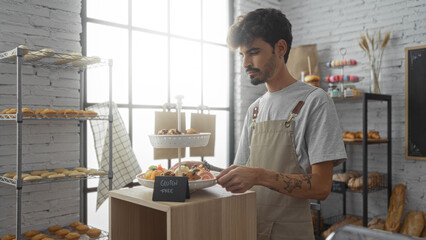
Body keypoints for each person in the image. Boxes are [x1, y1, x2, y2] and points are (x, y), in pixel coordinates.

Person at [173, 8, 346, 240]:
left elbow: (321, 187)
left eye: (253, 52)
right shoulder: (255, 109)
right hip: (246, 229)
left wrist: (259, 176)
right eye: (242, 55)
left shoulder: (315, 101)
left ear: (281, 48)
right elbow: (242, 172)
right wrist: (205, 170)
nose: (246, 63)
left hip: (290, 234)